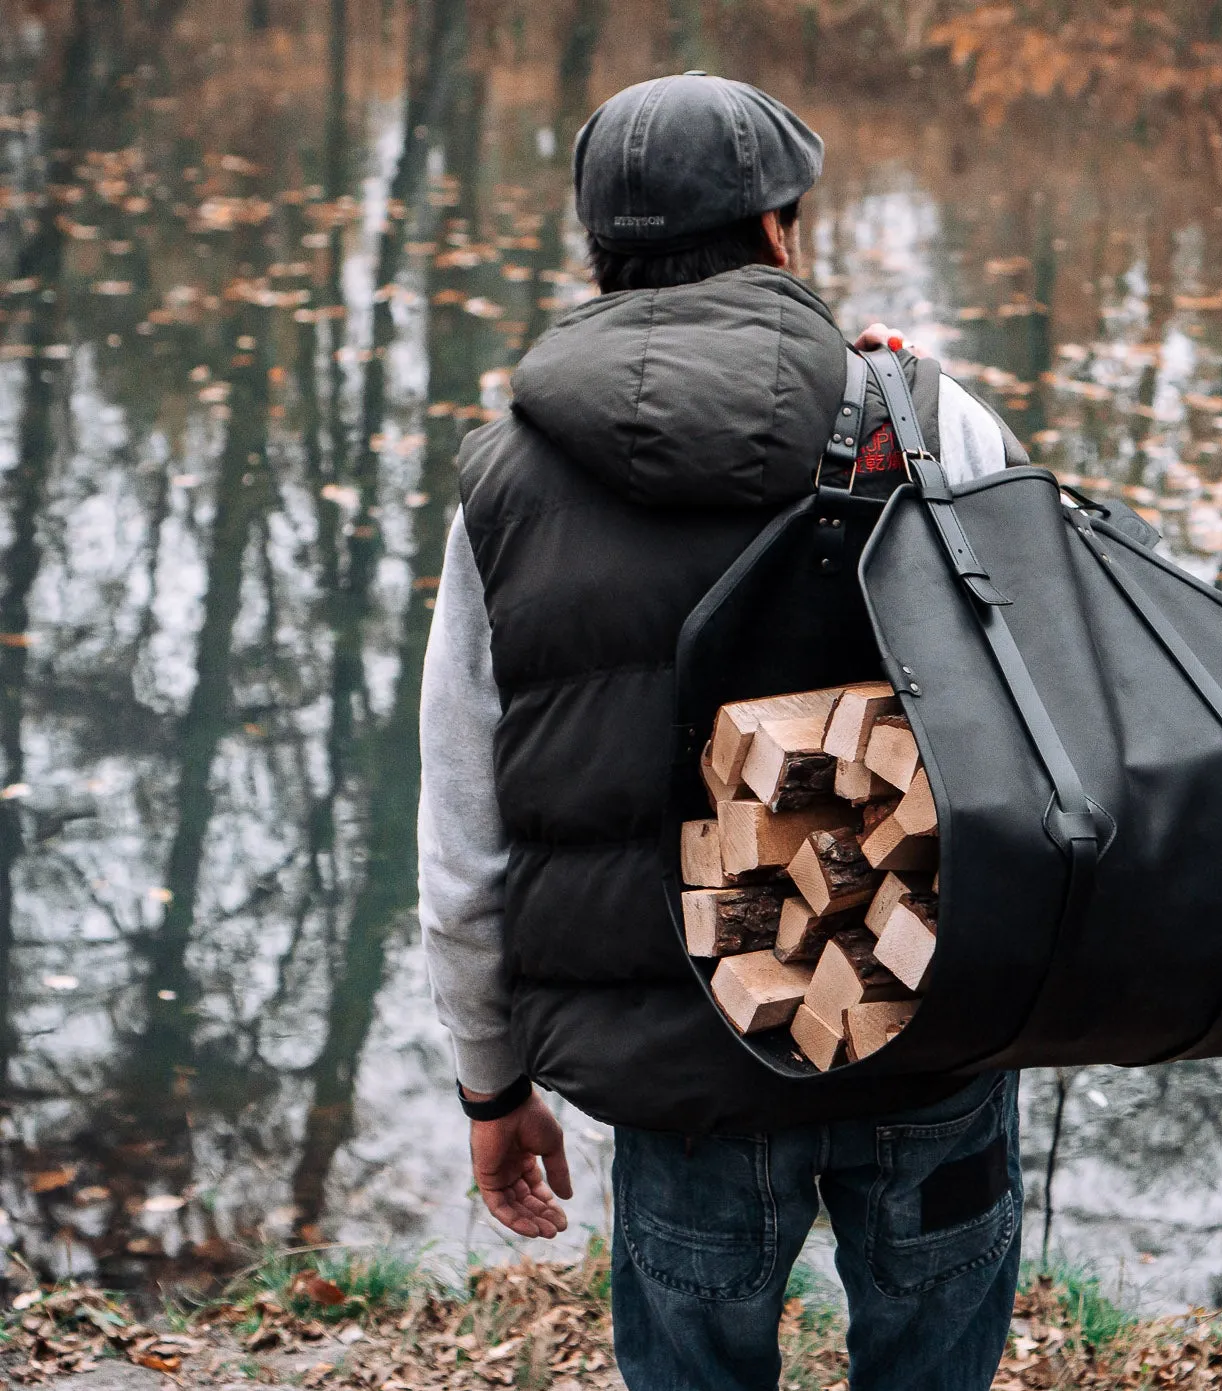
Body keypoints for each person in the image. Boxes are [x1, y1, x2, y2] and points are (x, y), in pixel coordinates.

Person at [418, 72, 1026, 1391]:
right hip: (926, 1023)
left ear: (600, 253)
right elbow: (1048, 721)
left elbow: (466, 848)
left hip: (682, 1058)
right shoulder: (927, 419)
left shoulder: (504, 486)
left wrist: (491, 1084)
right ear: (776, 234)